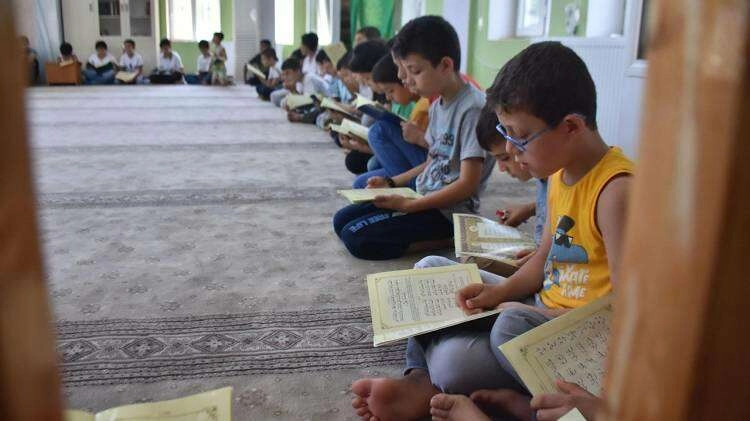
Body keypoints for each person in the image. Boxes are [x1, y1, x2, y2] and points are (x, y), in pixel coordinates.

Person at [351, 40, 634, 421]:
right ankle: (419, 379)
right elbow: (543, 258)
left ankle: (462, 388)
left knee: (470, 352)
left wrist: (522, 311)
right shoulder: (560, 175)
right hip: (538, 309)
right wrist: (497, 293)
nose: (513, 153)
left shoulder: (616, 191)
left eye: (520, 137)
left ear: (571, 126)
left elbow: (622, 312)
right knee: (430, 269)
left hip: (569, 336)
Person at [332, 16, 494, 261]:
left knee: (357, 238)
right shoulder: (438, 105)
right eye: (403, 71)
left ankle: (452, 237)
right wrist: (391, 182)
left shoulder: (473, 109)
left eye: (414, 71)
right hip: (423, 195)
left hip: (449, 212)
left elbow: (467, 184)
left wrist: (409, 206)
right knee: (341, 220)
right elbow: (432, 161)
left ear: (445, 65)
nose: (405, 79)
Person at [350, 54, 430, 189]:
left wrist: (421, 138)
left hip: (427, 170)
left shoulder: (426, 106)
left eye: (415, 72)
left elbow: (442, 154)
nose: (405, 79)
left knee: (378, 131)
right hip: (421, 164)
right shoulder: (423, 104)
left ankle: (407, 188)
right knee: (361, 181)